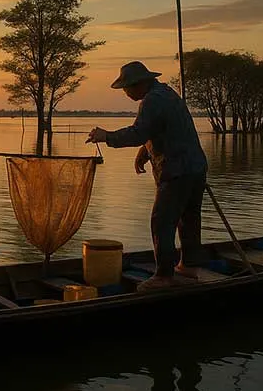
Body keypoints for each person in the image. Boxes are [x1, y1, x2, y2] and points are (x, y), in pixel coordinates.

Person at [86, 61, 209, 290]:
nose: (126, 92)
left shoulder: (152, 100)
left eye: (127, 87)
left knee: (162, 220)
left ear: (139, 84)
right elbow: (161, 129)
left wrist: (106, 136)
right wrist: (146, 152)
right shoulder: (167, 93)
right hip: (195, 167)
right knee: (188, 218)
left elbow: (137, 133)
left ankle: (164, 275)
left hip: (177, 169)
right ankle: (189, 267)